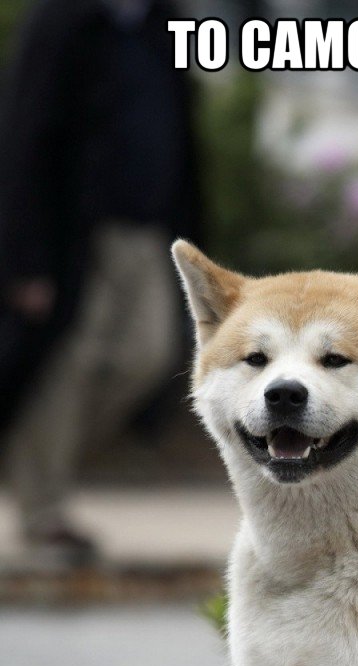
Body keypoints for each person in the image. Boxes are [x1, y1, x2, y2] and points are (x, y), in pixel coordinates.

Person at [0, 0, 202, 565]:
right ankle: (43, 509)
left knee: (150, 355)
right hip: (75, 236)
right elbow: (22, 140)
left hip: (149, 233)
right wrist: (25, 261)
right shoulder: (61, 22)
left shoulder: (163, 24)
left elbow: (183, 142)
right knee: (70, 361)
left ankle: (35, 464)